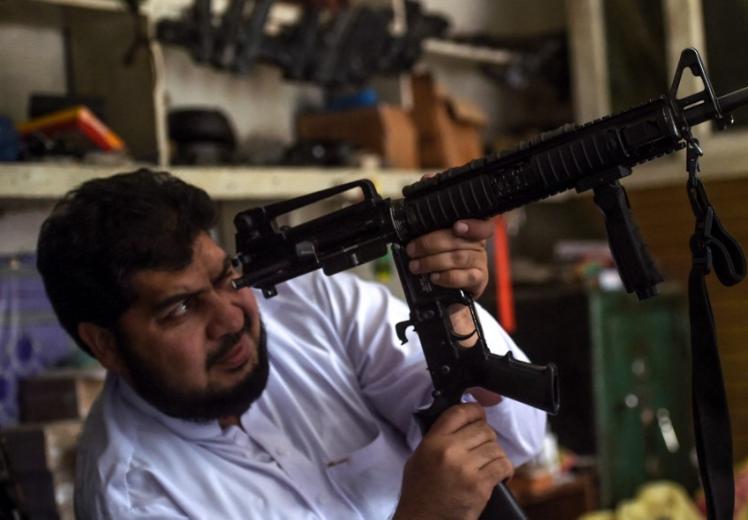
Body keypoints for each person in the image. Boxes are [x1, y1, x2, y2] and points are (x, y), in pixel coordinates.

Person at [36, 168, 546, 519]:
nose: (229, 317)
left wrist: (449, 306)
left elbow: (515, 438)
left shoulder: (309, 305)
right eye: (181, 308)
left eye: (225, 277)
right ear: (105, 345)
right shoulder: (135, 499)